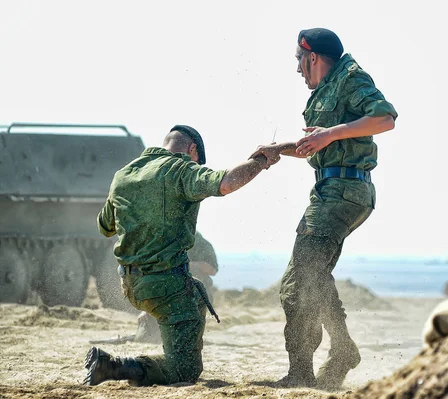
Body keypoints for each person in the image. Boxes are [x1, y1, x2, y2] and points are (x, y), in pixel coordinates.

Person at [253, 28, 397, 389]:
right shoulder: (327, 88)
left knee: (303, 274)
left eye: (299, 62)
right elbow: (317, 143)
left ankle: (304, 370)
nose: (298, 70)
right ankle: (341, 349)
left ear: (312, 56)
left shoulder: (350, 77)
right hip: (332, 188)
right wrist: (278, 149)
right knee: (300, 279)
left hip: (345, 190)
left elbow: (386, 118)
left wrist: (329, 134)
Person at [84, 124, 279, 386]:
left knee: (195, 296)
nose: (196, 164)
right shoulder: (181, 169)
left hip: (130, 285)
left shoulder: (124, 174)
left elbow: (105, 227)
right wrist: (262, 160)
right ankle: (113, 366)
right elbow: (226, 182)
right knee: (185, 372)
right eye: (197, 160)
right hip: (166, 288)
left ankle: (175, 352)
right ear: (192, 149)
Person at [135, 230, 219, 344]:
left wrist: (188, 265)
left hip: (193, 297)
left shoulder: (201, 244)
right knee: (144, 337)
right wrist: (147, 309)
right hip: (167, 298)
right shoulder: (166, 243)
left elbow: (212, 270)